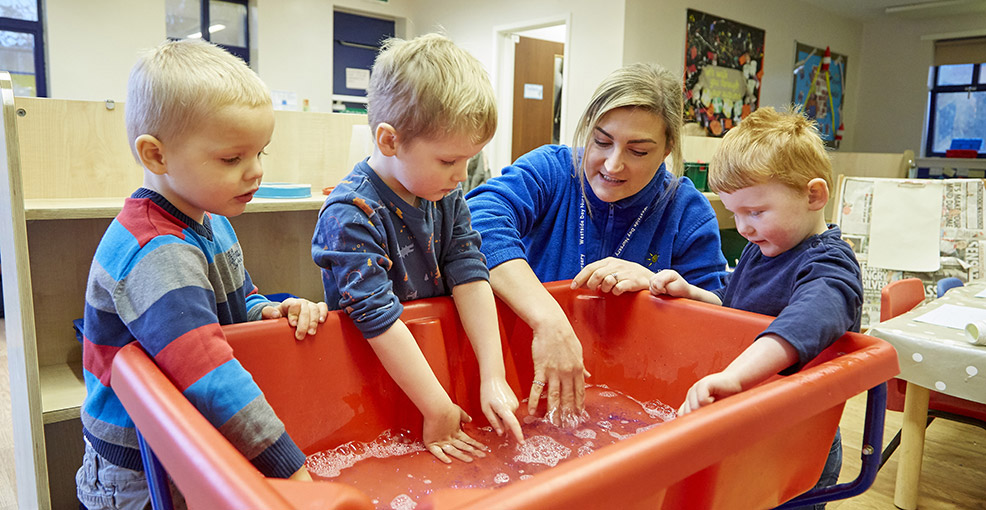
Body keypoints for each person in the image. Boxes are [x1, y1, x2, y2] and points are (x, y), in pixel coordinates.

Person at [76, 39, 329, 509]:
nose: (254, 172)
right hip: (140, 467)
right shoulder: (158, 252)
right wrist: (290, 468)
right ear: (156, 156)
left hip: (183, 442)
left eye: (261, 154)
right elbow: (206, 372)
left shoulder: (212, 219)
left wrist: (268, 308)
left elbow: (234, 302)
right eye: (232, 159)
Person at [465, 63, 727, 426]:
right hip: (529, 386)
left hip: (634, 401)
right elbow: (478, 219)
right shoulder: (551, 171)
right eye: (601, 142)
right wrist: (549, 321)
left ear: (667, 148)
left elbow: (719, 315)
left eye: (638, 151)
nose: (613, 164)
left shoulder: (685, 210)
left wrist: (660, 285)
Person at [311, 33, 523, 464]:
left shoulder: (445, 195)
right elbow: (376, 318)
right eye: (448, 161)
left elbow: (469, 272)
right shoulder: (351, 214)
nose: (462, 175)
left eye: (470, 160)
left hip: (433, 372)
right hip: (366, 386)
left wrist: (493, 375)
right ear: (389, 141)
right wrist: (437, 408)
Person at [648, 106, 862, 508]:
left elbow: (807, 320)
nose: (743, 227)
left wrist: (735, 377)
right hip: (756, 425)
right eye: (734, 213)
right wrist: (693, 294)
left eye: (756, 212)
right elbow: (736, 308)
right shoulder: (761, 249)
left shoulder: (829, 264)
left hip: (797, 439)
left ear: (814, 195)